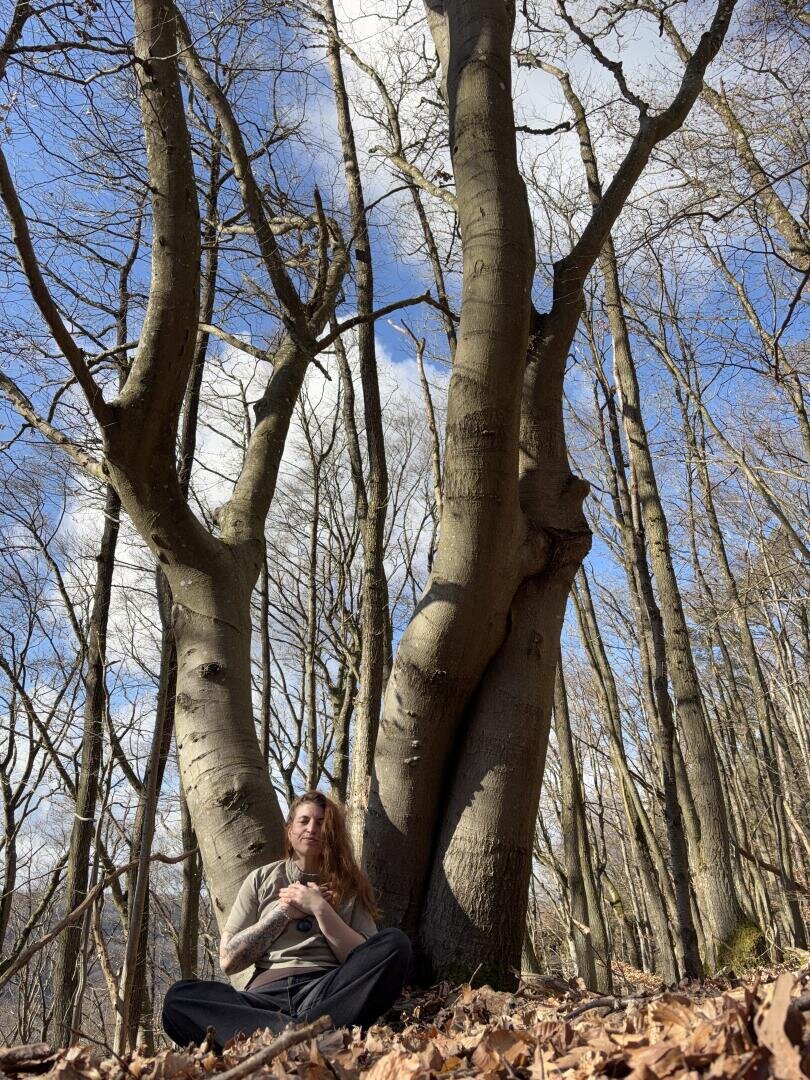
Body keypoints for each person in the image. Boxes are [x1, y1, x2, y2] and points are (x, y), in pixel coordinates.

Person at [162, 791, 411, 1051]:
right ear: (290, 829)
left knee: (396, 944)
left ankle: (283, 1037)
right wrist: (283, 914)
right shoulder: (261, 879)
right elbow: (229, 961)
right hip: (263, 999)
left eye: (321, 823)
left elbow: (363, 958)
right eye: (304, 821)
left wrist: (319, 907)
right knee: (178, 1000)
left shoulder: (349, 887)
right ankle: (304, 1034)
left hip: (326, 993)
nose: (312, 828)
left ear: (332, 833)